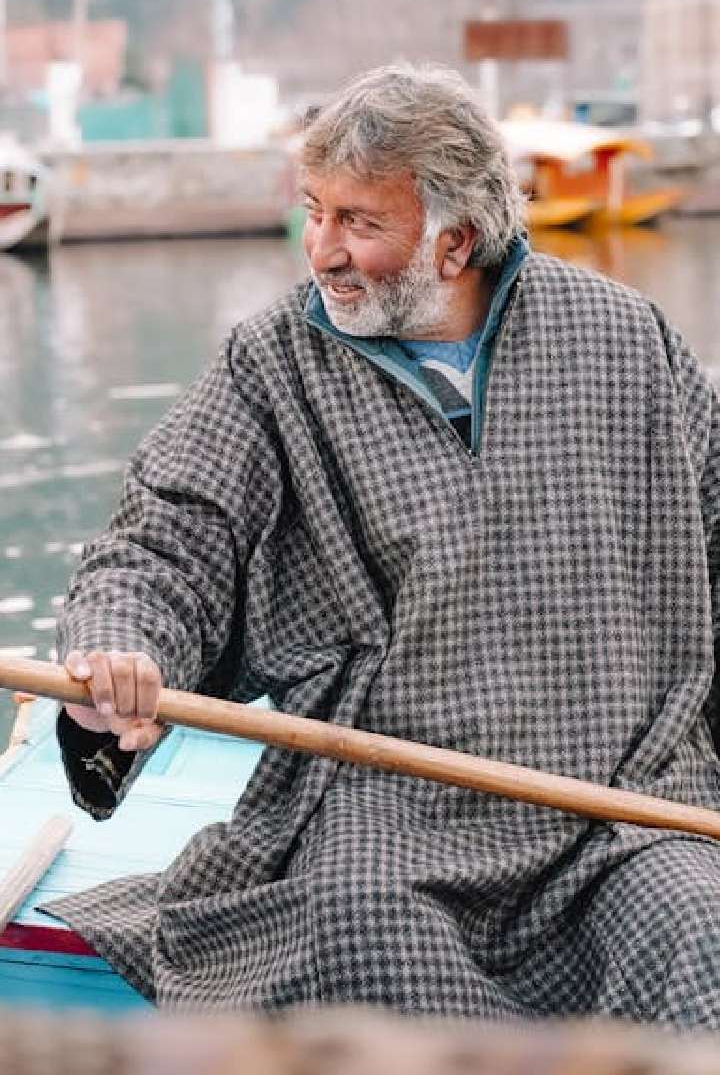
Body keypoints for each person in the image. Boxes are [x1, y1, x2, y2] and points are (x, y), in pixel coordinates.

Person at [48, 63, 720, 1025]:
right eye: (314, 210)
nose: (323, 250)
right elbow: (168, 539)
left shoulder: (626, 339)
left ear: (457, 241)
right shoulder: (272, 361)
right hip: (388, 800)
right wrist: (119, 650)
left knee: (701, 926)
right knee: (353, 933)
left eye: (360, 222)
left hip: (624, 799)